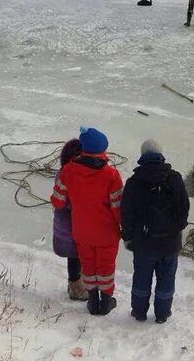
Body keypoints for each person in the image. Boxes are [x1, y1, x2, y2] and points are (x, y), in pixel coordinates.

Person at [51, 127, 124, 316]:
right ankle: (106, 302)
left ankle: (92, 302)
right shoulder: (111, 175)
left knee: (89, 266)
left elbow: (57, 201)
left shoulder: (68, 171)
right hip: (106, 232)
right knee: (105, 267)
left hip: (81, 231)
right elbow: (118, 206)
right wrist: (124, 227)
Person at [121, 139, 190, 324]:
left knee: (142, 278)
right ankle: (162, 314)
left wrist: (127, 237)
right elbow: (184, 207)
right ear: (161, 155)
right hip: (170, 242)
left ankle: (139, 312)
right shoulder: (175, 178)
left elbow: (126, 213)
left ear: (142, 156)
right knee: (166, 278)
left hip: (143, 243)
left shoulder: (134, 182)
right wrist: (177, 229)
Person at [52, 139, 87, 301]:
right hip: (71, 227)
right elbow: (68, 202)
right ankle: (76, 288)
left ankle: (75, 283)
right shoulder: (70, 175)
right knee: (75, 258)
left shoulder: (62, 173)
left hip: (66, 226)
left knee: (75, 258)